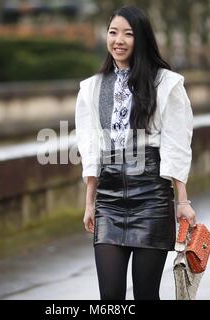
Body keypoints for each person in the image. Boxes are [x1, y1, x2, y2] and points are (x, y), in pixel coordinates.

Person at [75, 5, 196, 300]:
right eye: (113, 32)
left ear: (141, 39)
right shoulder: (91, 88)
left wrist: (182, 201)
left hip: (151, 199)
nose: (118, 40)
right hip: (109, 201)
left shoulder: (166, 84)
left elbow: (176, 143)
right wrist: (90, 203)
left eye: (128, 34)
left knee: (145, 294)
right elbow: (91, 148)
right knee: (110, 297)